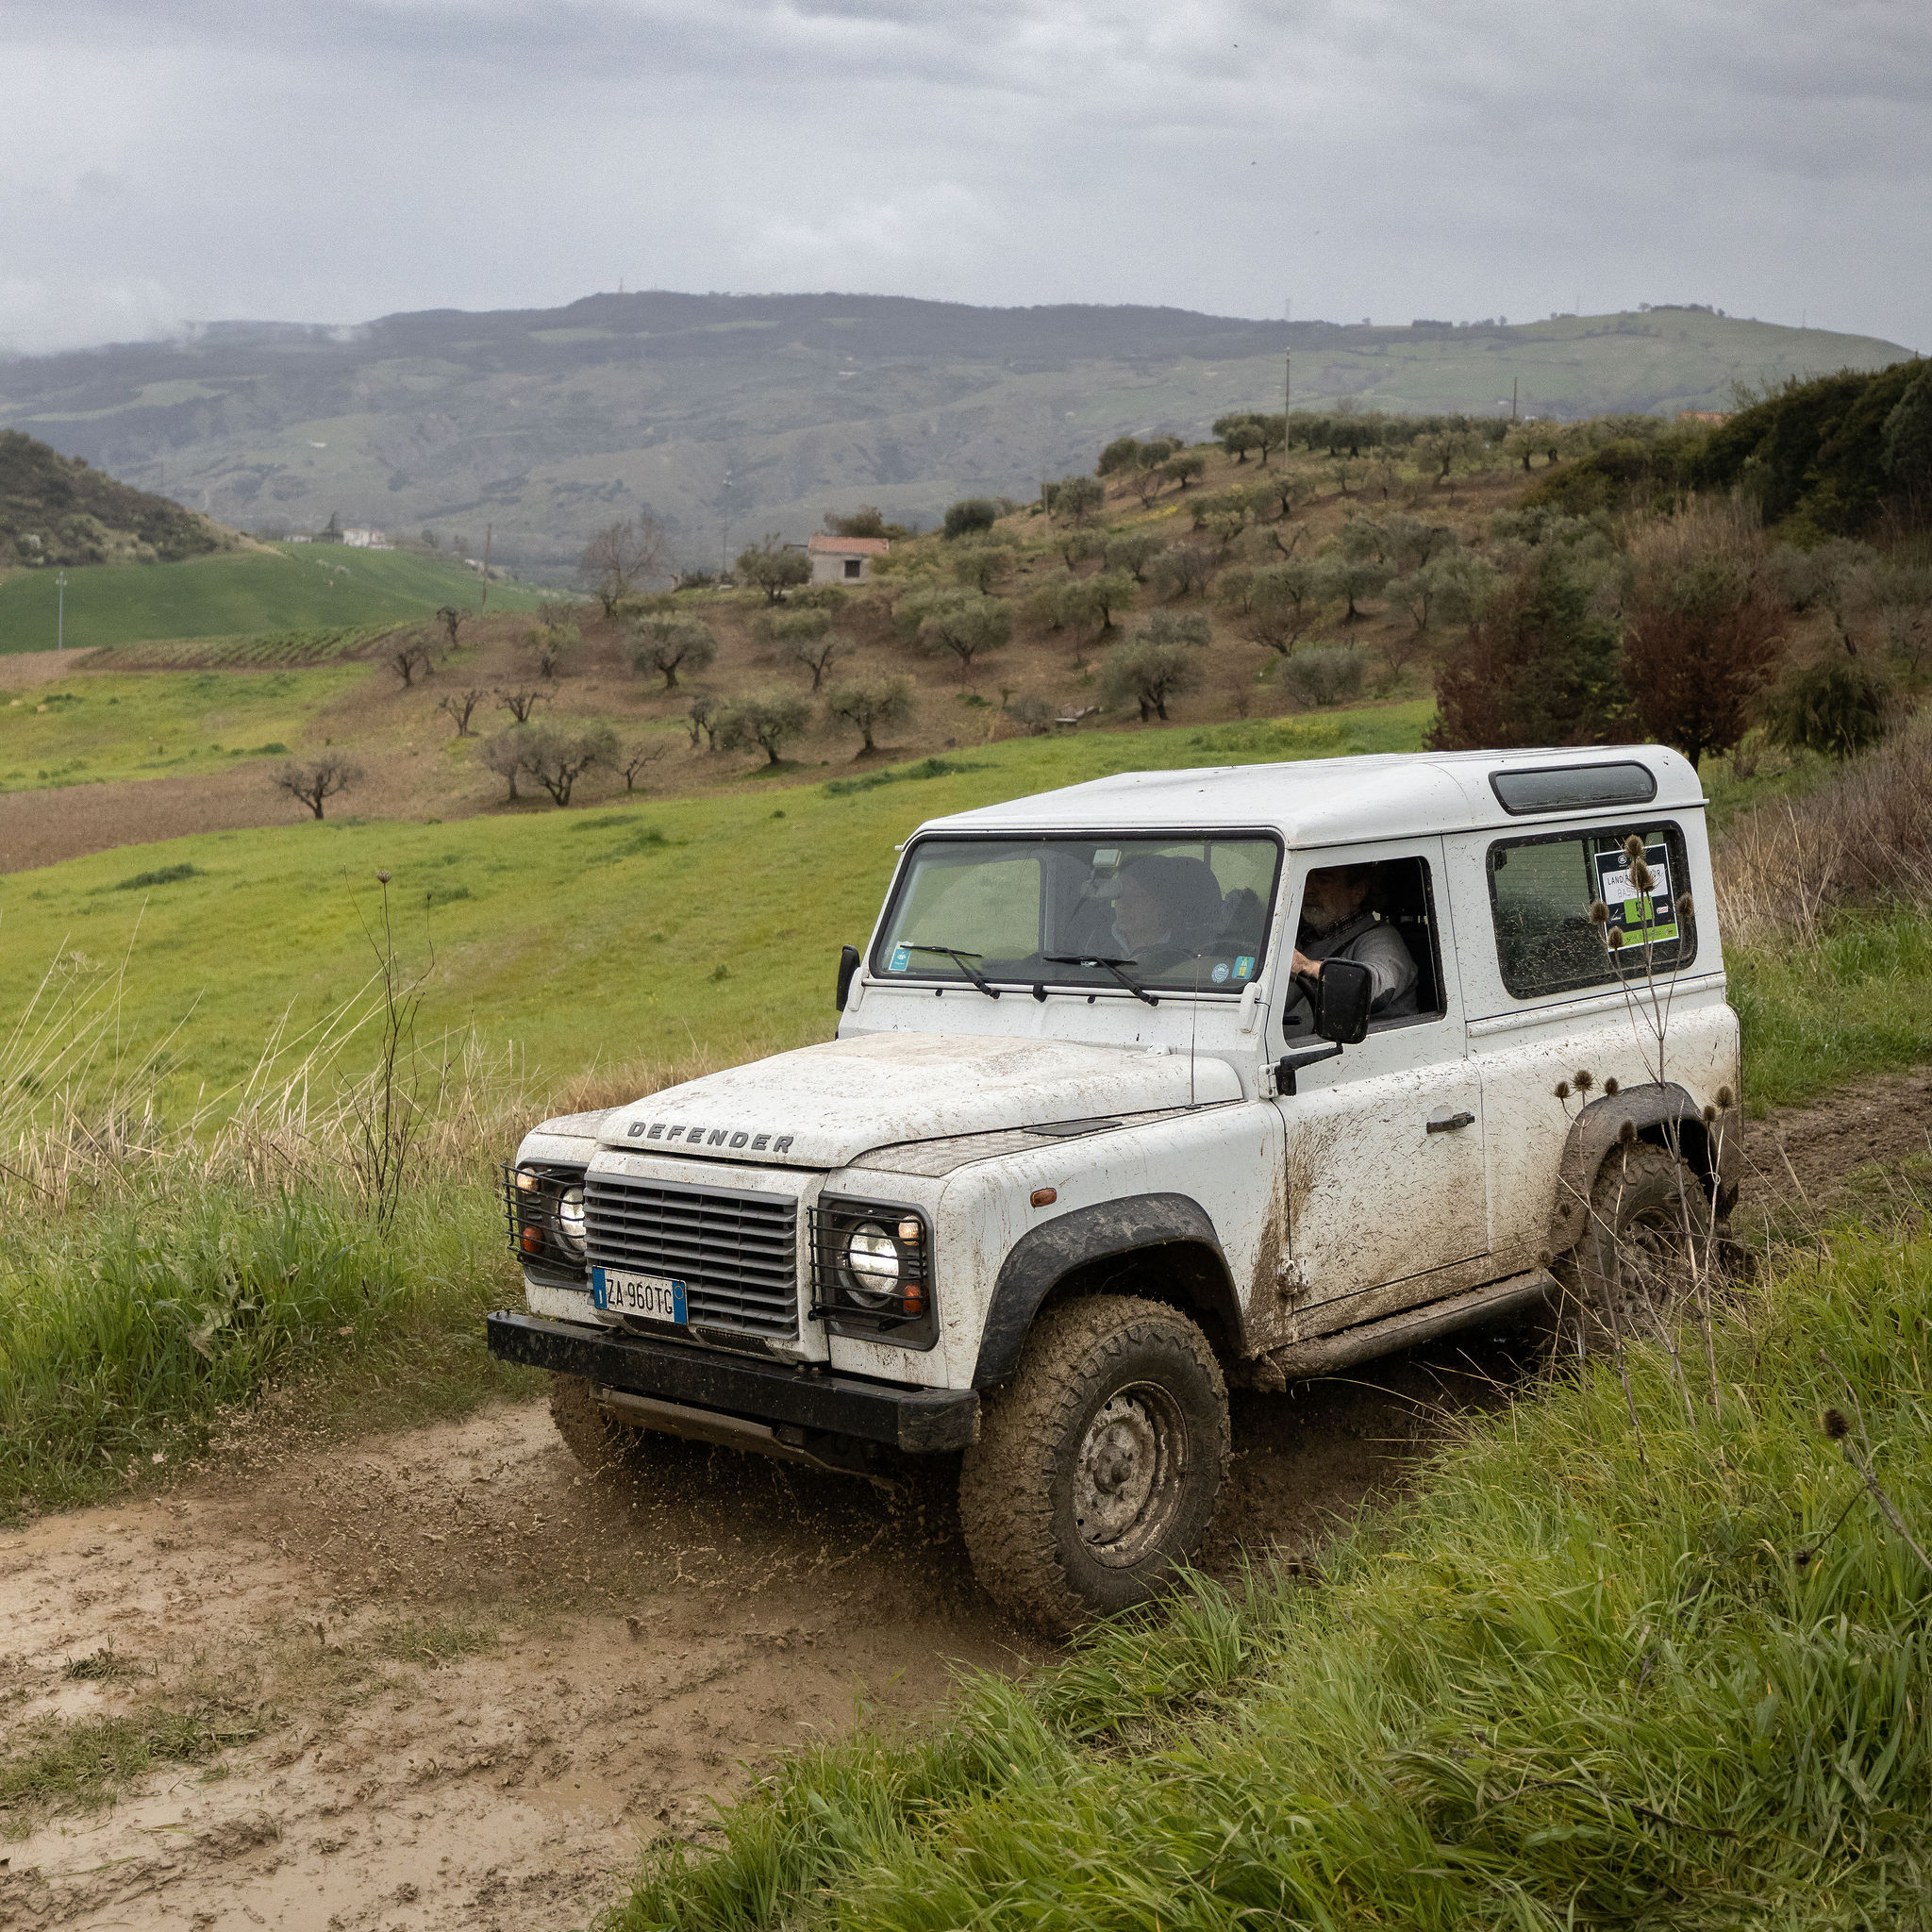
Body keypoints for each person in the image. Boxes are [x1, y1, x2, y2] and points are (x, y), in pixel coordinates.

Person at [1282, 863, 1417, 1033]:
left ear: (1357, 892)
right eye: (1307, 879)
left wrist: (1309, 967)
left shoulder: (1382, 938)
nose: (1308, 888)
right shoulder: (1305, 934)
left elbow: (1375, 986)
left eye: (1323, 880)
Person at [1104, 855, 1225, 975]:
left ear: (1165, 901)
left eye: (1137, 895)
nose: (1124, 904)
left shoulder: (1195, 950)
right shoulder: (1092, 942)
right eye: (1119, 895)